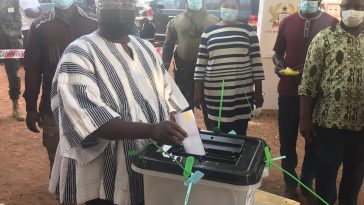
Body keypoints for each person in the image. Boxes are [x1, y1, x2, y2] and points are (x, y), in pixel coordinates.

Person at [49, 0, 189, 204]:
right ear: (98, 7)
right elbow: (88, 120)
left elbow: (173, 100)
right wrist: (151, 130)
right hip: (99, 177)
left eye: (127, 3)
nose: (121, 8)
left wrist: (194, 142)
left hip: (145, 165)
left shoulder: (146, 48)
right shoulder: (79, 52)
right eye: (112, 2)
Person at [299, 0, 364, 203]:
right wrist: (304, 117)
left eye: (359, 6)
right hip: (329, 120)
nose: (353, 11)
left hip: (361, 124)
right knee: (326, 170)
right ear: (341, 9)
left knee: (355, 172)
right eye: (348, 6)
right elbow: (309, 80)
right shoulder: (325, 37)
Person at [272, 0, 338, 198]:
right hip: (288, 91)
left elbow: (335, 60)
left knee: (314, 142)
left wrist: (309, 72)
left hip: (319, 95)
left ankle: (307, 180)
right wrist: (278, 64)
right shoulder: (287, 22)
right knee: (286, 140)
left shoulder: (332, 23)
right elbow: (277, 53)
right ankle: (290, 183)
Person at [23, 0, 98, 173]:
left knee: (92, 153)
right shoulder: (40, 25)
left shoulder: (94, 22)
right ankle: (60, 191)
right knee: (56, 154)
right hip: (54, 106)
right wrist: (31, 108)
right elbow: (32, 70)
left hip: (91, 103)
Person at [193, 0, 264, 135]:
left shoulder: (248, 31)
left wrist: (258, 91)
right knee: (216, 133)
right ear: (220, 7)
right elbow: (201, 63)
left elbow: (256, 62)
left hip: (240, 93)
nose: (229, 9)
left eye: (233, 6)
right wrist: (197, 91)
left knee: (240, 133)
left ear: (238, 9)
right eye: (226, 6)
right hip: (214, 93)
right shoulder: (208, 32)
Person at [162, 0, 218, 110]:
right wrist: (164, 67)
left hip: (209, 72)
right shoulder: (176, 21)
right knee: (184, 108)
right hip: (184, 71)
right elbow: (168, 45)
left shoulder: (214, 21)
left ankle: (210, 127)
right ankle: (186, 127)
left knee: (210, 108)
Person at [0, 0, 24, 121]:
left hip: (10, 38)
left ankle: (16, 107)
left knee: (13, 72)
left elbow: (17, 16)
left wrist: (18, 35)